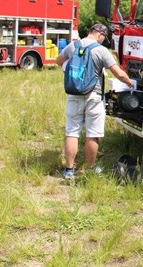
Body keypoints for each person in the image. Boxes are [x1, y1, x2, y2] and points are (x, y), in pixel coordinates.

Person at [56, 23, 133, 179]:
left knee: (72, 132)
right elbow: (119, 74)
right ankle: (91, 168)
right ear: (100, 34)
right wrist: (130, 83)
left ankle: (69, 170)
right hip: (94, 96)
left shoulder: (73, 46)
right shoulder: (101, 50)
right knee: (93, 134)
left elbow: (58, 61)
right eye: (104, 37)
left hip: (74, 94)